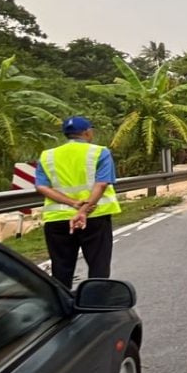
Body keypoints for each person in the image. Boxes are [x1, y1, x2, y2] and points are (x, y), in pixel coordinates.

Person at [34, 116, 122, 289]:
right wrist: (84, 210)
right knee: (98, 266)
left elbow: (42, 187)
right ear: (87, 132)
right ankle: (96, 303)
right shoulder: (99, 152)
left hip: (57, 219)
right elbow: (102, 183)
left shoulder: (47, 156)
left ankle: (62, 308)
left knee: (61, 269)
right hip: (94, 217)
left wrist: (73, 203)